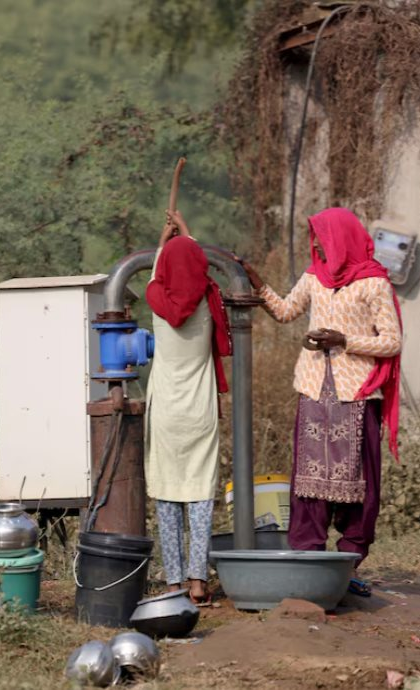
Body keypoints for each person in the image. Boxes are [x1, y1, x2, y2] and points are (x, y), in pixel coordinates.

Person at [238, 207, 401, 597]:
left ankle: (346, 564)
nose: (319, 247)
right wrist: (259, 284)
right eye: (316, 240)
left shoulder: (374, 283)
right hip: (314, 391)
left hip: (356, 394)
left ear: (342, 239)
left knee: (358, 485)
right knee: (309, 482)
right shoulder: (315, 276)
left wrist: (345, 341)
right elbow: (285, 312)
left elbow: (392, 341)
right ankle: (308, 563)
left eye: (323, 239)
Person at [144, 209, 231, 605]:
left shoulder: (156, 301)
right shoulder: (208, 303)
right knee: (199, 496)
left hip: (166, 412)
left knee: (166, 496)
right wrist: (188, 233)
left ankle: (173, 583)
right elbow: (197, 269)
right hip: (200, 412)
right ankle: (198, 582)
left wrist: (165, 241)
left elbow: (157, 275)